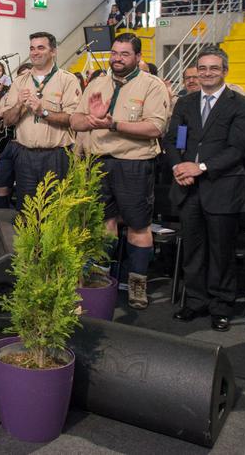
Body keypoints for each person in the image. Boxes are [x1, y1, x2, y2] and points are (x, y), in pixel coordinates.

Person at [70, 33, 171, 309]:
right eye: (114, 53)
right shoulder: (97, 83)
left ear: (138, 57)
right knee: (104, 226)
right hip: (100, 163)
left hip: (134, 164)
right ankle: (101, 280)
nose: (117, 58)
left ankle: (137, 285)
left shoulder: (152, 85)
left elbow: (155, 128)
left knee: (139, 226)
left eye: (125, 54)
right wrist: (90, 120)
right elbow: (75, 120)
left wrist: (114, 124)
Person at [165, 48, 245, 332]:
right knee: (193, 249)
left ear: (224, 71)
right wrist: (178, 168)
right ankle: (195, 301)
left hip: (223, 188)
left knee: (221, 251)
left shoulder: (240, 104)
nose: (207, 73)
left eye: (213, 68)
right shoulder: (186, 102)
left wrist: (200, 167)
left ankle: (221, 306)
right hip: (187, 187)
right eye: (202, 68)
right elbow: (173, 140)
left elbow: (237, 148)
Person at [0, 32, 81, 205]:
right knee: (26, 209)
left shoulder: (67, 80)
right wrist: (19, 104)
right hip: (24, 156)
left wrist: (44, 112)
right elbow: (8, 121)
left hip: (56, 156)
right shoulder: (20, 81)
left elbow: (73, 119)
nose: (35, 52)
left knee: (55, 212)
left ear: (53, 51)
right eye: (32, 48)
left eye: (41, 47)